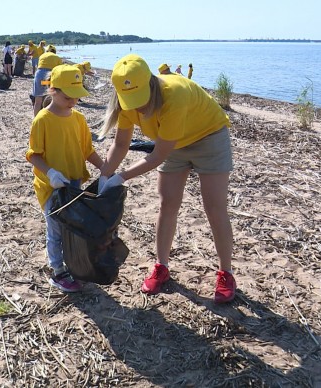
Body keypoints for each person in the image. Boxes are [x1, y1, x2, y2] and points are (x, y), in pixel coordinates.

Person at [98, 54, 237, 303]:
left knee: (215, 208)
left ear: (151, 83)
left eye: (140, 100)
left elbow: (157, 156)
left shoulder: (174, 94)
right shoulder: (127, 103)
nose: (137, 107)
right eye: (130, 102)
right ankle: (161, 266)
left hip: (208, 137)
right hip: (172, 143)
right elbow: (120, 144)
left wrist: (120, 177)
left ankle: (226, 272)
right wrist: (104, 175)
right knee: (167, 204)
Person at [25, 64, 104, 293]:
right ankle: (58, 271)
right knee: (56, 230)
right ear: (53, 91)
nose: (73, 102)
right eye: (68, 97)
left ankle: (73, 264)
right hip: (51, 186)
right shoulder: (43, 119)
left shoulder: (78, 119)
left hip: (74, 183)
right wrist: (50, 173)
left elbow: (88, 150)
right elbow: (34, 154)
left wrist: (106, 170)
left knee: (73, 227)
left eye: (77, 97)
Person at [31, 45, 63, 116]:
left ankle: (36, 119)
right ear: (54, 51)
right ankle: (49, 116)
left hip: (39, 75)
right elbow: (60, 70)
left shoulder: (42, 56)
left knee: (38, 101)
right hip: (49, 77)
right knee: (51, 98)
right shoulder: (57, 57)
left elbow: (39, 66)